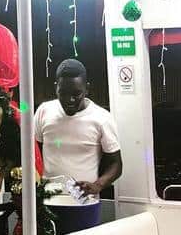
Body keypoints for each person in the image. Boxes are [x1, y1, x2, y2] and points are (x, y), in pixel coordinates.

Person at [33, 58, 122, 198]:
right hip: (47, 201)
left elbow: (116, 164)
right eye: (63, 93)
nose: (70, 100)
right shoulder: (44, 111)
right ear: (56, 88)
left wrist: (98, 185)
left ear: (87, 89)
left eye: (76, 94)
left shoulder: (102, 118)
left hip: (85, 201)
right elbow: (34, 153)